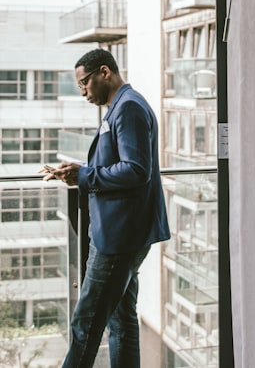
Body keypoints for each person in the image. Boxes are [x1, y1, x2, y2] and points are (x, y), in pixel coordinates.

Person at [41, 48, 170, 368]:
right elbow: (120, 164)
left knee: (86, 324)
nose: (83, 91)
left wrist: (85, 175)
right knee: (122, 320)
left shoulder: (128, 109)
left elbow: (137, 170)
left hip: (118, 236)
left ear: (104, 72)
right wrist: (78, 172)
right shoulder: (124, 106)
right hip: (123, 232)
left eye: (84, 83)